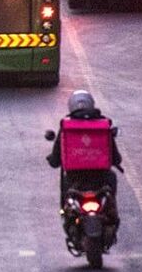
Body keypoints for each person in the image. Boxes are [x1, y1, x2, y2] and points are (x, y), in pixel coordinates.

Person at [47, 89, 122, 229]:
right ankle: (112, 213)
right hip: (101, 179)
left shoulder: (66, 127)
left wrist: (52, 160)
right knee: (112, 179)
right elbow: (116, 158)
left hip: (74, 180)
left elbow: (55, 160)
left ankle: (67, 217)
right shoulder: (103, 126)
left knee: (66, 197)